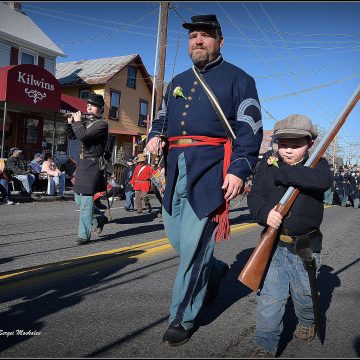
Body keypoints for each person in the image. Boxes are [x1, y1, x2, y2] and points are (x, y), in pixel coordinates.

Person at [145, 14, 263, 346]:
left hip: (212, 169)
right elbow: (163, 117)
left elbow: (250, 129)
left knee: (195, 249)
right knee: (178, 241)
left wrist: (239, 170)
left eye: (205, 36)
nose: (198, 40)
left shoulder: (239, 79)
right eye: (193, 36)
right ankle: (213, 271)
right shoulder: (177, 80)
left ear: (219, 41)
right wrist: (155, 135)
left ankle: (182, 317)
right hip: (174, 169)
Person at [247, 115, 332, 357]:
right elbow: (255, 198)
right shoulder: (267, 166)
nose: (289, 151)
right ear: (276, 143)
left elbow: (321, 182)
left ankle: (307, 322)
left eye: (296, 146)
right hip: (273, 245)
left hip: (305, 247)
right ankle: (265, 345)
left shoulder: (319, 166)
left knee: (305, 296)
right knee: (270, 300)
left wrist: (283, 173)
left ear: (310, 144)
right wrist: (265, 214)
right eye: (284, 145)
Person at [65, 93, 109, 245]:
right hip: (82, 164)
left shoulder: (101, 125)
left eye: (93, 105)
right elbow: (73, 137)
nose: (89, 107)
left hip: (93, 165)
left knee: (86, 200)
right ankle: (100, 217)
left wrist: (77, 123)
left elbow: (83, 137)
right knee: (78, 199)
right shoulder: (84, 123)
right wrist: (70, 123)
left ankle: (84, 235)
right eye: (88, 104)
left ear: (100, 109)